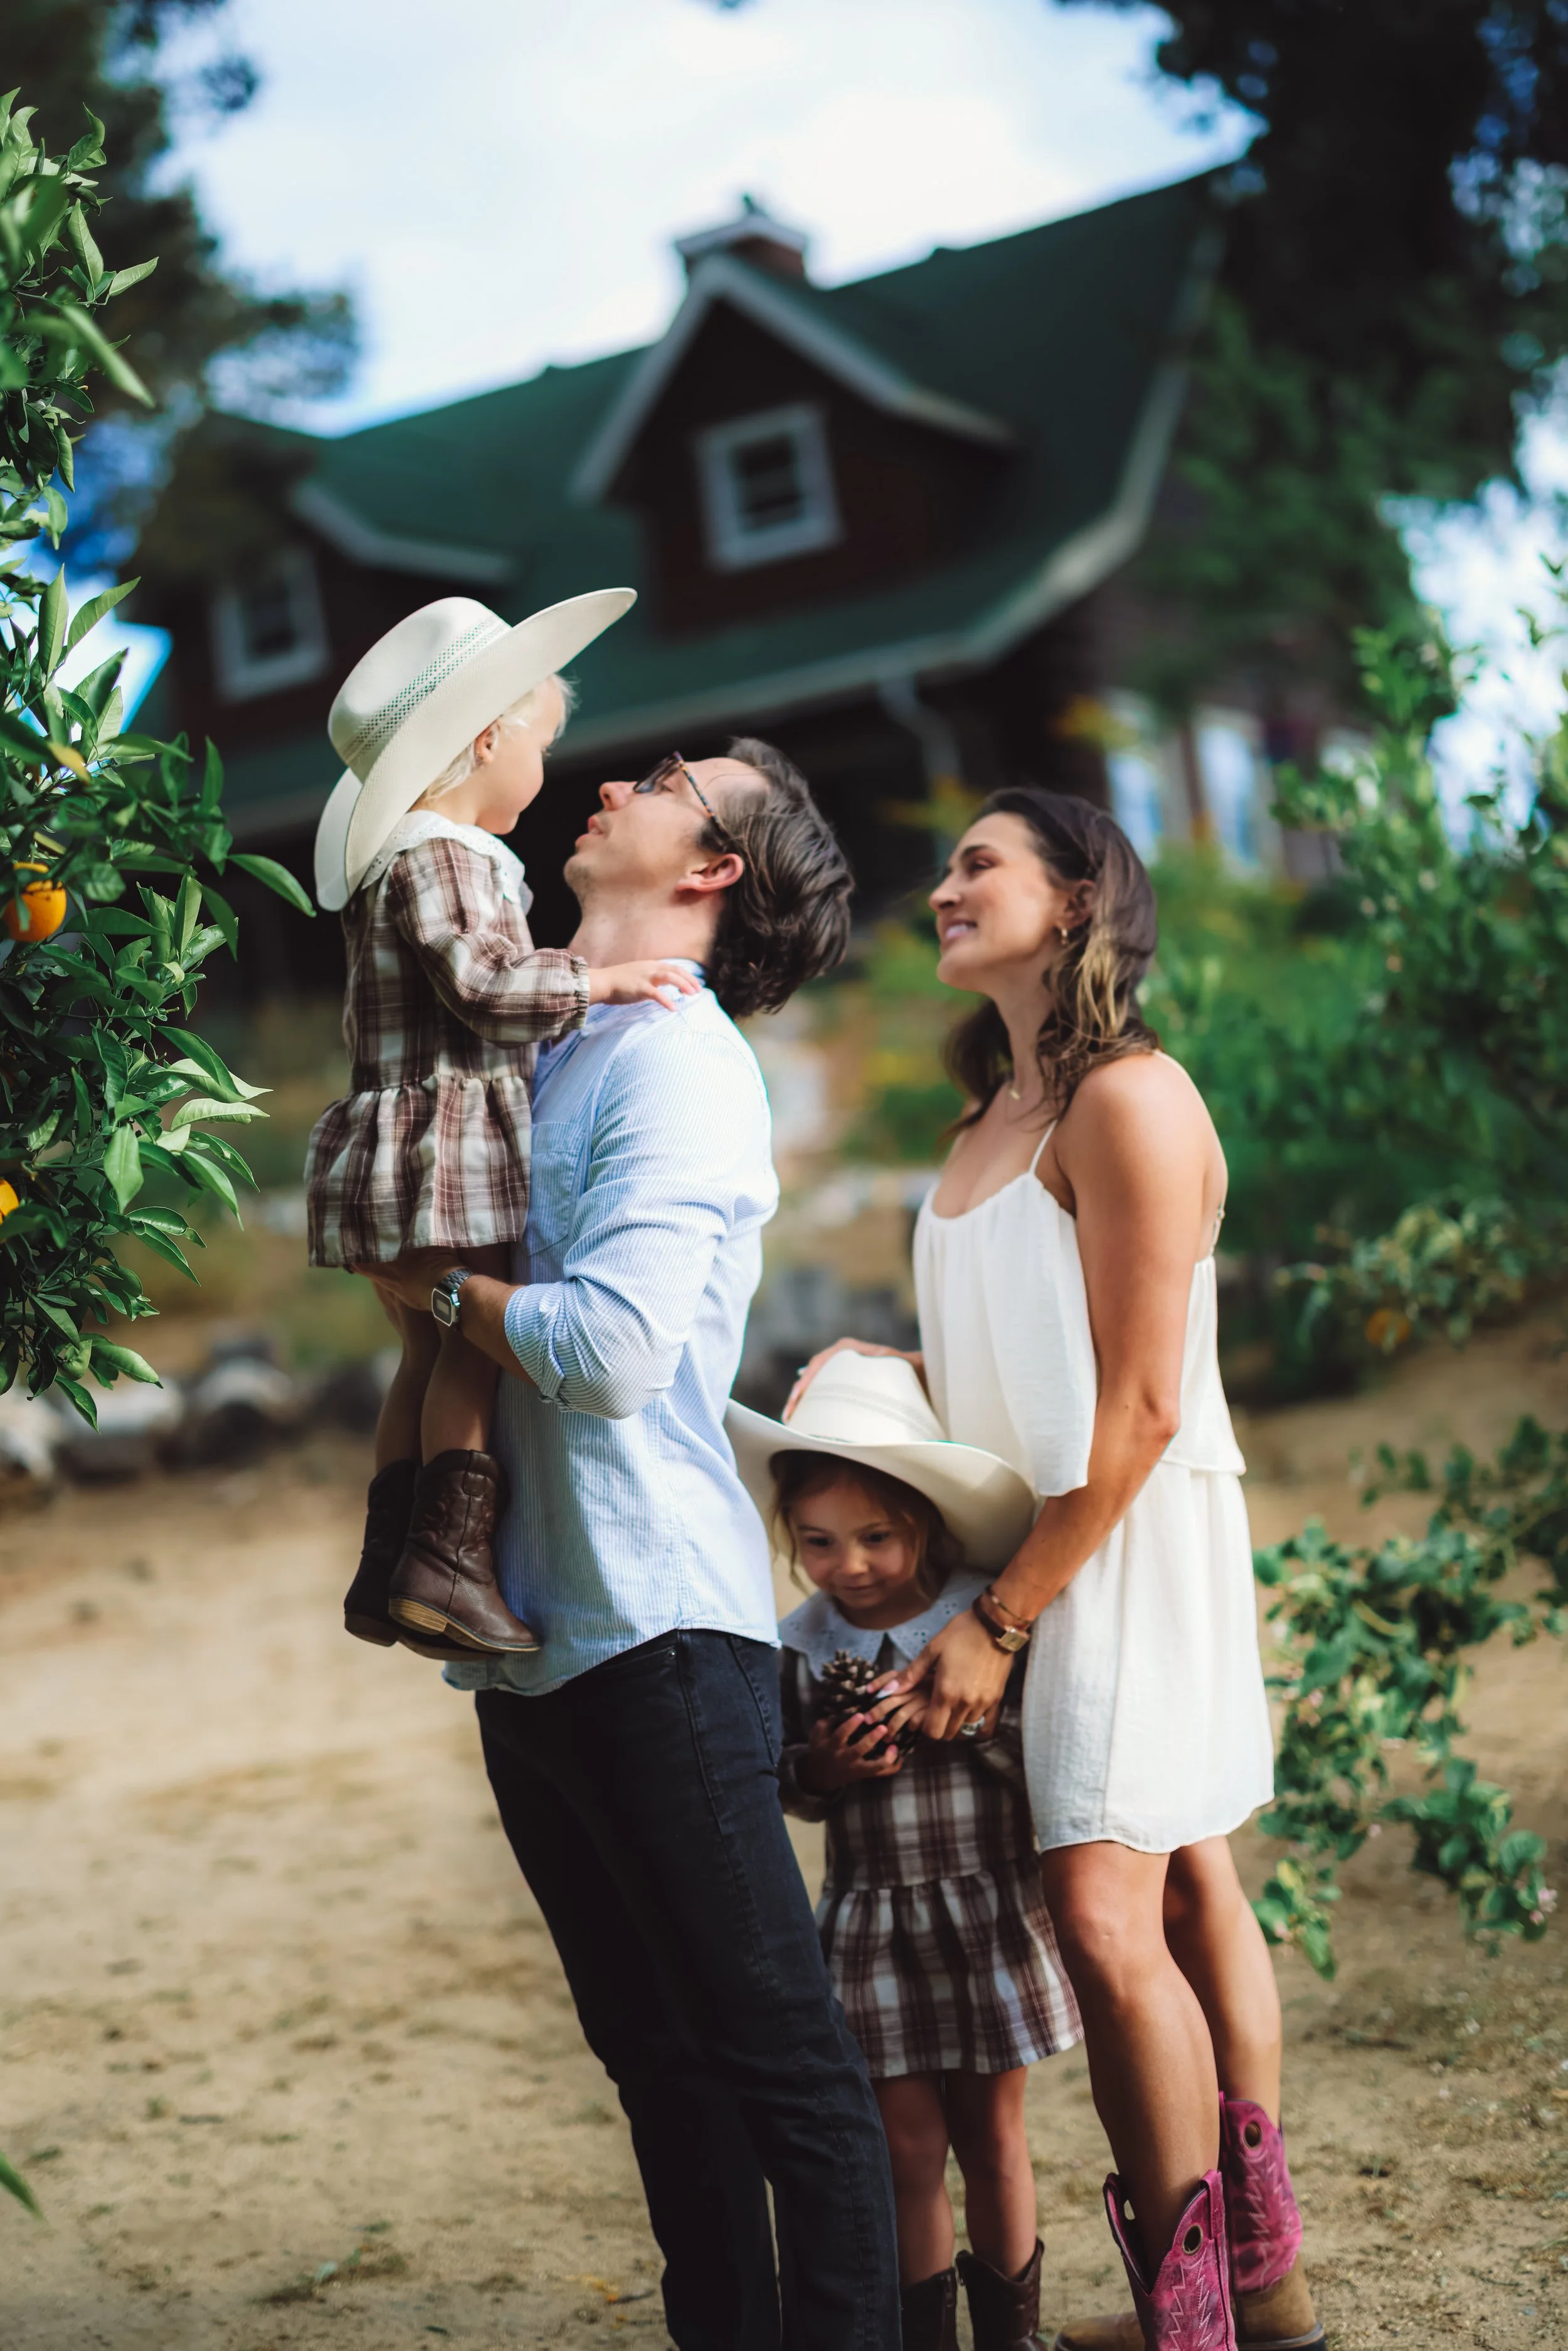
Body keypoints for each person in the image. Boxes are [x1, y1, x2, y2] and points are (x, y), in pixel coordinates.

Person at [366, 738, 901, 2349]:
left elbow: (604, 1353)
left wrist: (432, 1290)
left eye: (670, 776)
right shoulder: (536, 1043)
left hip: (664, 1634)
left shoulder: (678, 1059)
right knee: (656, 2067)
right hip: (532, 1643)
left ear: (714, 867)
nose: (616, 777)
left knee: (784, 2077)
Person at [788, 788, 1322, 2351]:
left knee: (1100, 1911)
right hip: (1028, 1534)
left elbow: (1143, 1401)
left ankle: (1191, 2316)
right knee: (1183, 1879)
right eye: (945, 867)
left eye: (978, 865)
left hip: (1122, 1542)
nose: (942, 886)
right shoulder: (983, 1120)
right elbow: (1020, 1354)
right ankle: (1256, 2282)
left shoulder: (1129, 1098)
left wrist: (1001, 1621)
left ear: (1076, 899)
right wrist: (883, 1365)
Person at [304, 592, 697, 1658]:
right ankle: (450, 1566)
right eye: (541, 740)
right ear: (488, 740)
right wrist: (598, 982)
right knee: (471, 1351)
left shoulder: (413, 855)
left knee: (422, 1358)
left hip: (401, 1134)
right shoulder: (450, 857)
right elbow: (483, 984)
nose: (549, 766)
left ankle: (391, 1568)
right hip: (445, 1140)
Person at [726, 1351, 1081, 2351]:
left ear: (922, 1518)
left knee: (995, 2139)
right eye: (821, 1541)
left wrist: (962, 1723)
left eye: (877, 1537)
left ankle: (1007, 2336)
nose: (853, 1565)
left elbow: (1044, 1753)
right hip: (871, 1922)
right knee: (906, 2149)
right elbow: (786, 1785)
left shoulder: (981, 1625)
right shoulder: (796, 1646)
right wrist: (829, 1770)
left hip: (986, 1911)